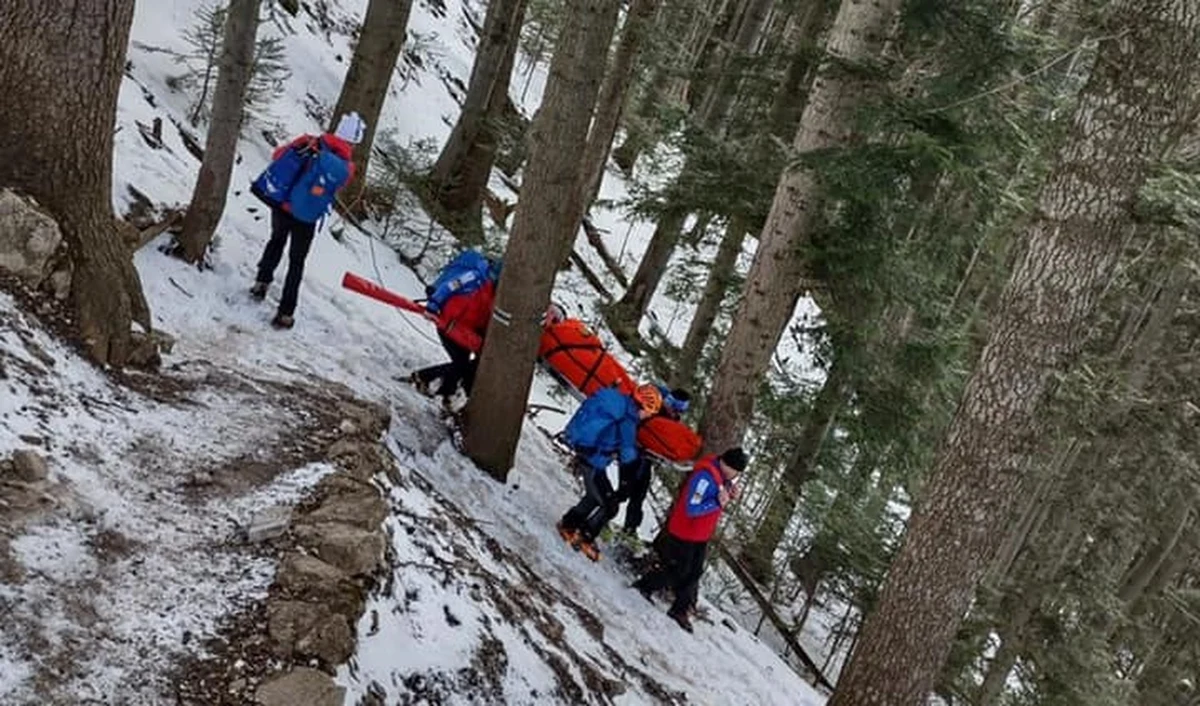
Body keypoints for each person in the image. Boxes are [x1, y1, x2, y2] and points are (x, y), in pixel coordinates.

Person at [250, 112, 365, 329]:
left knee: (276, 241)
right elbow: (336, 188)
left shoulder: (308, 142)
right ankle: (285, 313)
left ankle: (261, 283)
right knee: (297, 262)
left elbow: (278, 156)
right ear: (353, 141)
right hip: (308, 216)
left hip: (284, 206)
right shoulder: (346, 167)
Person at [632, 446, 747, 633]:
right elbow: (692, 508)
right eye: (736, 472)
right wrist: (717, 502)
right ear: (728, 465)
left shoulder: (721, 479)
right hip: (684, 532)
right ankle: (645, 585)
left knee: (694, 573)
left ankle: (680, 610)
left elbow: (717, 498)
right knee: (678, 571)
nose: (735, 476)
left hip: (700, 535)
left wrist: (728, 496)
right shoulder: (704, 478)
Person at [556, 384, 663, 561]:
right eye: (648, 413)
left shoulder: (621, 406)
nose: (647, 417)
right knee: (610, 505)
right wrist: (626, 485)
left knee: (593, 496)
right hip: (592, 461)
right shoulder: (627, 420)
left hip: (589, 456)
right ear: (643, 407)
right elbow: (627, 453)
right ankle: (584, 536)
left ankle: (568, 524)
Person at [410, 250, 501, 407]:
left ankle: (445, 392)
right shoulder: (474, 277)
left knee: (468, 366)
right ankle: (425, 380)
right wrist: (433, 305)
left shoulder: (495, 293)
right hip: (448, 324)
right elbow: (449, 286)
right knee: (461, 364)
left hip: (465, 333)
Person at [613, 386, 691, 540]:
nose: (677, 414)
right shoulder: (652, 407)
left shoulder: (672, 419)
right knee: (623, 492)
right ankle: (596, 517)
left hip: (646, 460)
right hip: (632, 455)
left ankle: (630, 530)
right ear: (670, 403)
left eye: (680, 412)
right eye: (676, 410)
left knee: (638, 496)